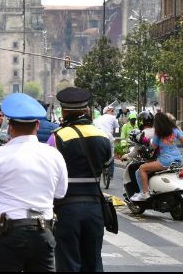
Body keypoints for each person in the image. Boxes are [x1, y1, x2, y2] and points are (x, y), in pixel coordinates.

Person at [0, 93, 68, 272]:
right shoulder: (54, 155)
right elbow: (61, 192)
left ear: (10, 127)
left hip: (10, 233)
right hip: (43, 233)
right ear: (37, 125)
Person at [50, 87, 111, 273]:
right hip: (94, 207)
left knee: (68, 262)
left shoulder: (57, 137)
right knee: (93, 261)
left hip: (66, 208)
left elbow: (49, 172)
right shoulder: (103, 136)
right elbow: (107, 164)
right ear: (86, 110)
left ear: (64, 111)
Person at [131, 112, 183, 202]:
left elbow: (153, 146)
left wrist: (147, 142)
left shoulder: (158, 133)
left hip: (165, 160)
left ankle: (144, 193)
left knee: (142, 169)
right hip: (179, 159)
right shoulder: (174, 129)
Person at [93, 107, 119, 180]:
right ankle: (110, 173)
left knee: (97, 153)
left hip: (97, 137)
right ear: (107, 111)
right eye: (112, 110)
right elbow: (117, 129)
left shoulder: (96, 119)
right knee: (112, 154)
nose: (113, 112)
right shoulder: (113, 117)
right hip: (108, 136)